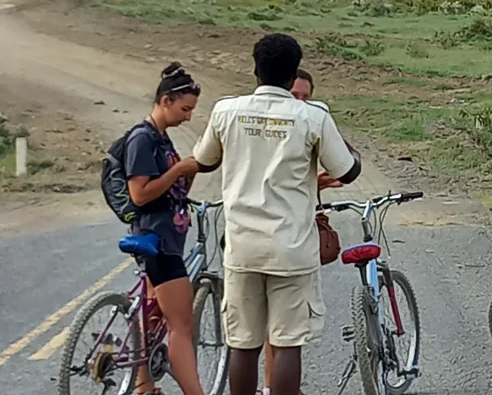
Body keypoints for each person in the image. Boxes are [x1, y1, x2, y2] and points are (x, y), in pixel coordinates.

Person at [192, 33, 361, 395]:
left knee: (243, 344)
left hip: (242, 247)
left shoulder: (226, 111)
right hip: (291, 249)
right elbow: (346, 171)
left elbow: (204, 161)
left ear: (256, 69)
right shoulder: (311, 117)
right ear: (292, 76)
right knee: (286, 345)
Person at [260, 67, 347, 395]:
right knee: (282, 328)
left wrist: (317, 184)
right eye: (295, 95)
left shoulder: (309, 125)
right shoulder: (269, 129)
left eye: (306, 97)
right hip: (279, 236)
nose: (300, 103)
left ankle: (273, 387)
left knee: (278, 326)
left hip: (296, 231)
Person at [125, 62, 205, 395]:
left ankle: (144, 384)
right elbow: (140, 193)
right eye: (185, 109)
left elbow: (171, 195)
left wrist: (188, 173)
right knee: (181, 327)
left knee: (154, 314)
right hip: (157, 240)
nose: (188, 116)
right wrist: (177, 171)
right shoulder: (143, 139)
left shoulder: (162, 140)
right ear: (166, 100)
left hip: (167, 236)